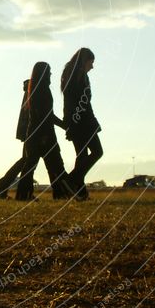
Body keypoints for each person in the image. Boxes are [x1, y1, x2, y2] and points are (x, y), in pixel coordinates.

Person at [15, 62, 74, 201]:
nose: (51, 75)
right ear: (44, 74)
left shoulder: (34, 89)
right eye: (49, 72)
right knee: (56, 166)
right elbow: (47, 116)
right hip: (45, 134)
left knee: (30, 167)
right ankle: (62, 193)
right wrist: (64, 125)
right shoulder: (43, 90)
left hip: (34, 134)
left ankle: (24, 195)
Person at [61, 48, 102, 201]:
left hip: (77, 121)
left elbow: (70, 102)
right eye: (91, 63)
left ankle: (80, 192)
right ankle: (71, 180)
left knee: (82, 155)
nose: (92, 66)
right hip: (84, 122)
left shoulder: (70, 75)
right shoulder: (79, 77)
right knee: (97, 152)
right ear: (84, 61)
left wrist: (70, 122)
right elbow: (80, 103)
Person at [0, 80, 30, 199]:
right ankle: (18, 191)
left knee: (26, 161)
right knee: (27, 161)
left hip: (28, 131)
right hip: (32, 131)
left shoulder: (29, 91)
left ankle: (4, 187)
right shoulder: (33, 91)